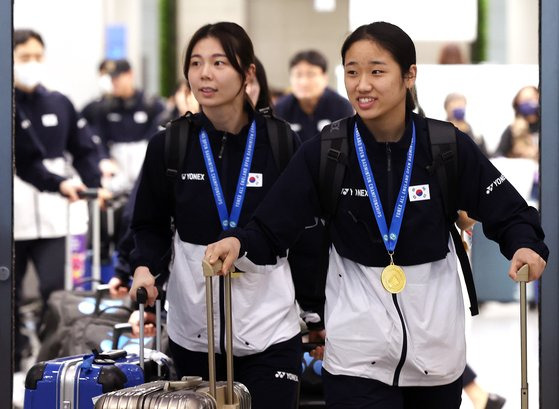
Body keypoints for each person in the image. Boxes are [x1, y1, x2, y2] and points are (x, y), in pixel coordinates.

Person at [205, 21, 548, 409]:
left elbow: (510, 211)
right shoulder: (328, 151)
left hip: (437, 353)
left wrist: (524, 244)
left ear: (409, 75)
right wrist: (239, 241)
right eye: (352, 71)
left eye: (376, 71)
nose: (362, 84)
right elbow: (271, 226)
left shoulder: (445, 146)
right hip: (355, 358)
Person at [128, 22, 321, 409]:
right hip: (193, 335)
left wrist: (318, 314)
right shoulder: (170, 145)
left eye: (219, 62)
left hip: (270, 333)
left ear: (248, 72)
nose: (205, 73)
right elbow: (148, 224)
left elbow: (305, 235)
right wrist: (145, 267)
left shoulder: (281, 144)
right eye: (196, 63)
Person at [13, 29, 106, 371]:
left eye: (38, 56)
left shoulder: (59, 103)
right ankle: (13, 354)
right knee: (10, 294)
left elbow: (84, 151)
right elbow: (25, 163)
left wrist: (96, 186)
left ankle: (49, 359)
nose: (32, 64)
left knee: (55, 291)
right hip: (12, 219)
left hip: (54, 216)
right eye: (24, 57)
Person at [85, 58, 166, 196]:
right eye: (111, 78)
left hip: (144, 170)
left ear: (129, 75)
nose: (113, 82)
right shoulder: (104, 108)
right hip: (117, 173)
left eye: (117, 78)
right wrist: (104, 159)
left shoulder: (150, 105)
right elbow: (99, 138)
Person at [274, 49, 354, 142]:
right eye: (298, 75)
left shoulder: (341, 106)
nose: (304, 82)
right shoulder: (281, 108)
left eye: (311, 74)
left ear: (325, 78)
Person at [494, 85, 540, 159]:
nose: (529, 103)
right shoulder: (512, 129)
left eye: (532, 98)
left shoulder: (548, 127)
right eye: (525, 100)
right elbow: (497, 155)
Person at [444, 92, 488, 157]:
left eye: (461, 104)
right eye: (454, 103)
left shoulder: (476, 133)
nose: (458, 106)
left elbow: (485, 156)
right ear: (446, 108)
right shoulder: (442, 131)